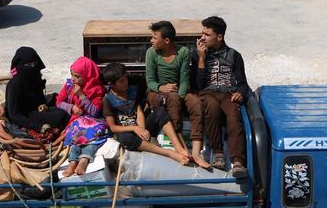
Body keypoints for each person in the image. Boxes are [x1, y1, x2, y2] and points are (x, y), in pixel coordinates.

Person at [145, 21, 211, 169]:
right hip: (156, 92)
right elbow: (149, 81)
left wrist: (181, 97)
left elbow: (184, 79)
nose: (151, 41)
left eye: (155, 38)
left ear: (167, 40)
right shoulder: (151, 53)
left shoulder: (183, 52)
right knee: (173, 99)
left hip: (177, 91)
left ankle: (196, 151)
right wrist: (162, 87)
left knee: (196, 103)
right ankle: (181, 147)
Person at [193, 16, 250, 179]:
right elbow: (198, 85)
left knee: (233, 115)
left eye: (207, 34)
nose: (202, 37)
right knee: (211, 108)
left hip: (228, 93)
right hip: (208, 92)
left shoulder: (234, 55)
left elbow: (243, 83)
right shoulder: (197, 54)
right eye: (201, 33)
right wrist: (202, 59)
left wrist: (240, 92)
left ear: (219, 37)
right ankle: (218, 154)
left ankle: (237, 162)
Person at [102, 62, 191, 165]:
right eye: (121, 81)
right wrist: (134, 128)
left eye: (125, 78)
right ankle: (169, 153)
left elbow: (139, 111)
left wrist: (142, 129)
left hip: (141, 128)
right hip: (127, 132)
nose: (125, 82)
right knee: (125, 138)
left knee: (160, 111)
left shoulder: (133, 90)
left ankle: (179, 148)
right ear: (112, 84)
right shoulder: (107, 99)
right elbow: (113, 127)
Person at [56, 57, 109, 177]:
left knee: (92, 139)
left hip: (94, 121)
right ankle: (73, 161)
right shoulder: (69, 86)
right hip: (77, 121)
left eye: (77, 76)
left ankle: (84, 160)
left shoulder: (97, 89)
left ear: (87, 76)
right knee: (76, 138)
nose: (73, 78)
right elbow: (59, 101)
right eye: (72, 74)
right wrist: (71, 107)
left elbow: (94, 112)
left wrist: (81, 95)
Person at [4, 47, 69, 142]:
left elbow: (40, 99)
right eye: (28, 65)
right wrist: (37, 126)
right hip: (23, 117)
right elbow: (14, 114)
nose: (32, 67)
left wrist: (43, 105)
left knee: (62, 113)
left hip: (36, 112)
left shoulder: (35, 78)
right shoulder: (15, 84)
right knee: (59, 117)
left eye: (34, 64)